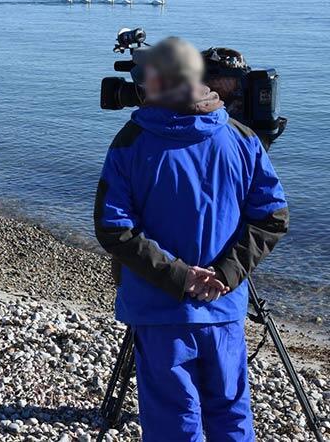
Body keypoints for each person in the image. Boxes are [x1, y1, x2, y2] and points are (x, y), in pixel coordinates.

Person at [94, 37, 288, 441]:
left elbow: (114, 228)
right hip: (224, 305)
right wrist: (225, 273)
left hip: (160, 309)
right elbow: (271, 216)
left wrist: (180, 278)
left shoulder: (132, 142)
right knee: (231, 413)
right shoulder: (242, 137)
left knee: (174, 420)